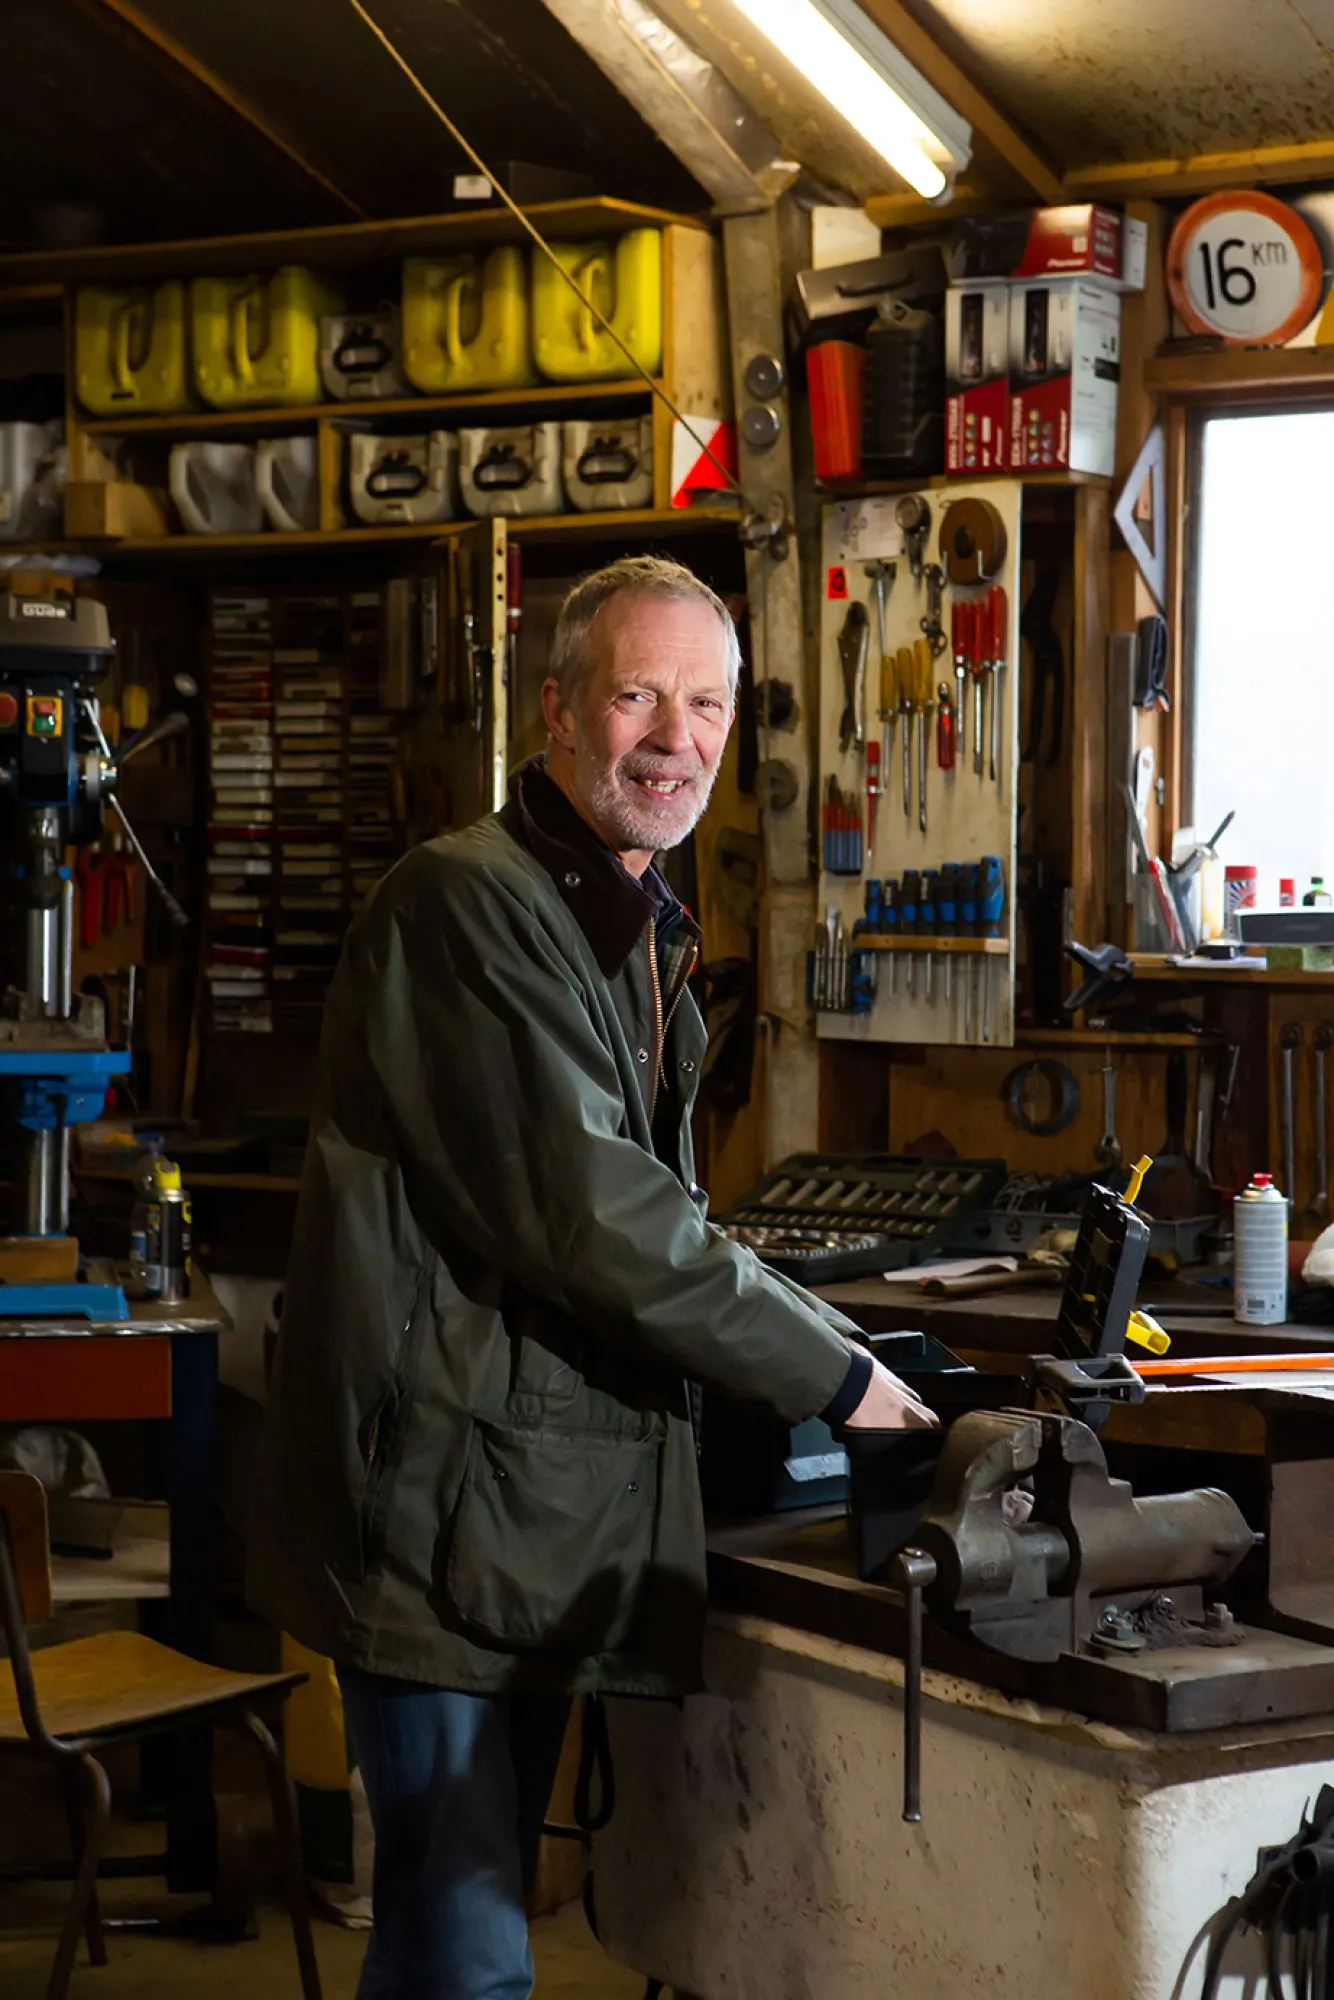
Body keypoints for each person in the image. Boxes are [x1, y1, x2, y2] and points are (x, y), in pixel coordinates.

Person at [250, 555, 936, 2000]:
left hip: (520, 1506)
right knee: (470, 1951)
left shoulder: (620, 919)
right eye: (634, 695)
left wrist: (842, 1342)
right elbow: (596, 1216)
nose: (670, 738)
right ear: (555, 713)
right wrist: (839, 1382)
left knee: (447, 1936)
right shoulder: (467, 907)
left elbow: (658, 1217)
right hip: (439, 1506)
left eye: (701, 705)